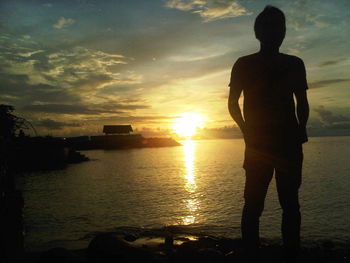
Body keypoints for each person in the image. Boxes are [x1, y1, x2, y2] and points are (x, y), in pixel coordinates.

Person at [228, 5, 309, 262]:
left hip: (288, 144)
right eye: (269, 26)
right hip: (258, 145)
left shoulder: (294, 63)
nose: (275, 31)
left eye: (279, 27)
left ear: (284, 32)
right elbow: (232, 103)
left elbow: (302, 102)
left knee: (290, 204)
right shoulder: (243, 64)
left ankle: (291, 253)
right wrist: (246, 132)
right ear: (257, 32)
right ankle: (251, 253)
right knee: (253, 203)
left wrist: (301, 129)